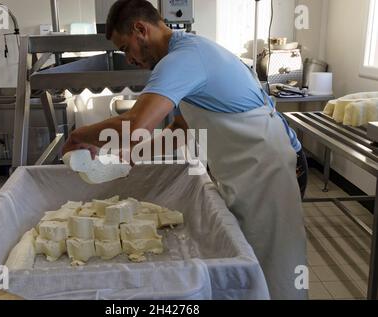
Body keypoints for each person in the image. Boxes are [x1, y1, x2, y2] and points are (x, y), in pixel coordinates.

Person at [62, 0, 308, 300]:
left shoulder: (183, 59)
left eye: (126, 48)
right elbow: (180, 128)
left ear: (141, 29)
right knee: (252, 266)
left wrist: (79, 135)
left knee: (277, 269)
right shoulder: (190, 52)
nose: (128, 58)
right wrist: (131, 155)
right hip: (251, 173)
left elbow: (137, 124)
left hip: (269, 173)